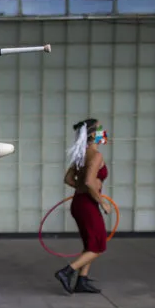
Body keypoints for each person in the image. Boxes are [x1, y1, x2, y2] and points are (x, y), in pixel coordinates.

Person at [54, 118, 110, 294]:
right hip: (88, 205)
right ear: (93, 134)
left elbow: (69, 179)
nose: (104, 133)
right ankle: (67, 271)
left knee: (90, 244)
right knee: (99, 246)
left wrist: (82, 188)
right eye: (101, 130)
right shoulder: (96, 156)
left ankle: (82, 281)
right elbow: (89, 181)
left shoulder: (80, 154)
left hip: (79, 203)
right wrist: (103, 203)